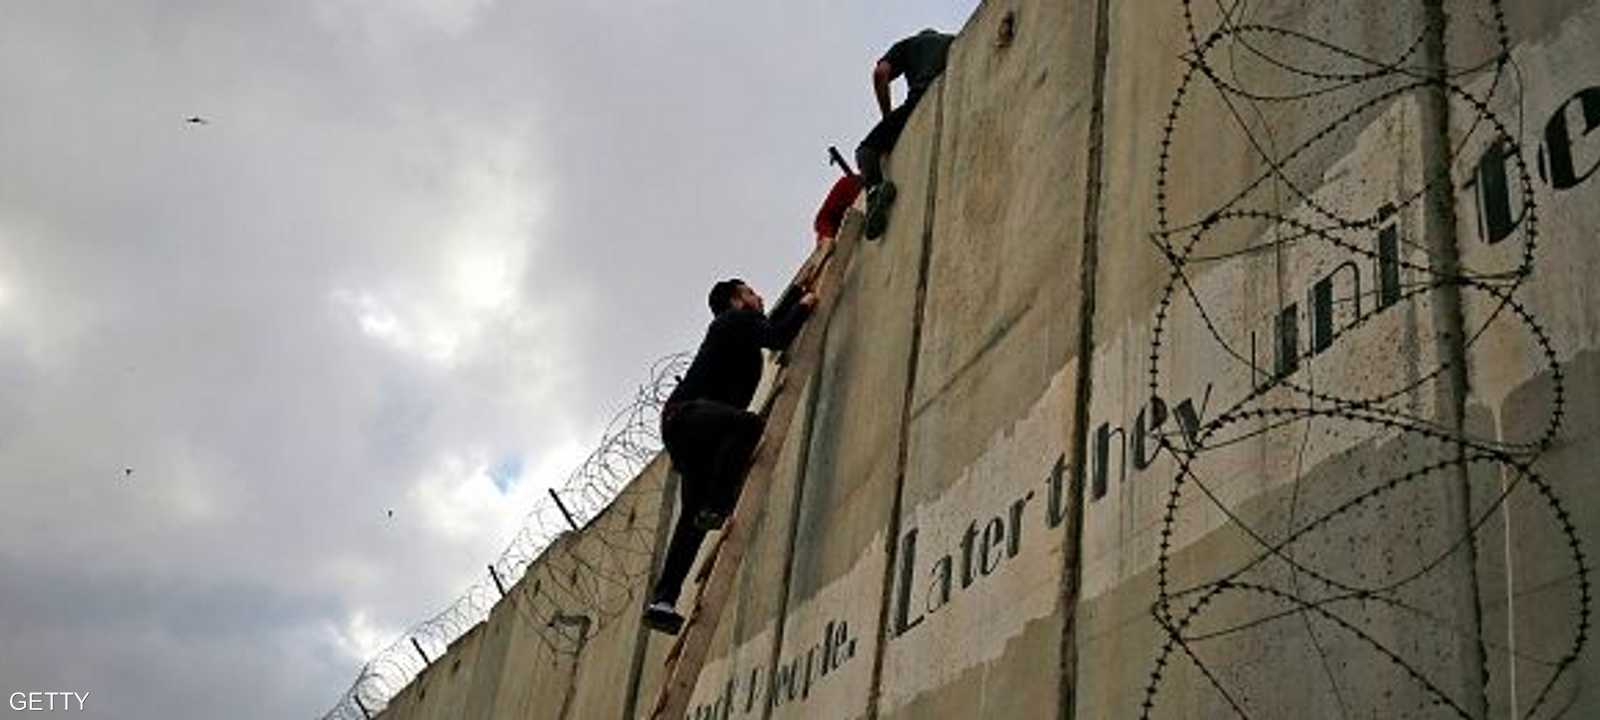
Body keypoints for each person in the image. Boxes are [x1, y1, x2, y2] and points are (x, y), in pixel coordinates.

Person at [643, 279, 817, 634]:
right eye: (752, 293)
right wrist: (805, 304)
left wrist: (797, 294)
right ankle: (718, 505)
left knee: (692, 519)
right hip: (690, 418)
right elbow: (779, 337)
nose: (760, 297)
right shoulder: (735, 321)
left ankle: (663, 600)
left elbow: (770, 328)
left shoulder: (740, 328)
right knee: (750, 426)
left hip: (695, 433)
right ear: (738, 300)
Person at [856, 28, 956, 240]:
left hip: (918, 100)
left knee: (866, 150)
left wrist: (887, 116)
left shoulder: (908, 45)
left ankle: (875, 190)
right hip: (950, 95)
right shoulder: (951, 40)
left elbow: (880, 74)